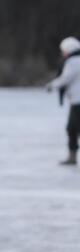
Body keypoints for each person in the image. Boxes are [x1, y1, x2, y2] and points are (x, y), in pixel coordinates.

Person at [46, 36, 80, 165]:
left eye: (63, 50)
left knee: (72, 128)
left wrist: (51, 85)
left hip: (78, 101)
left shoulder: (74, 61)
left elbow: (66, 78)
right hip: (76, 100)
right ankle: (72, 156)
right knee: (73, 128)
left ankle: (72, 157)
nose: (63, 53)